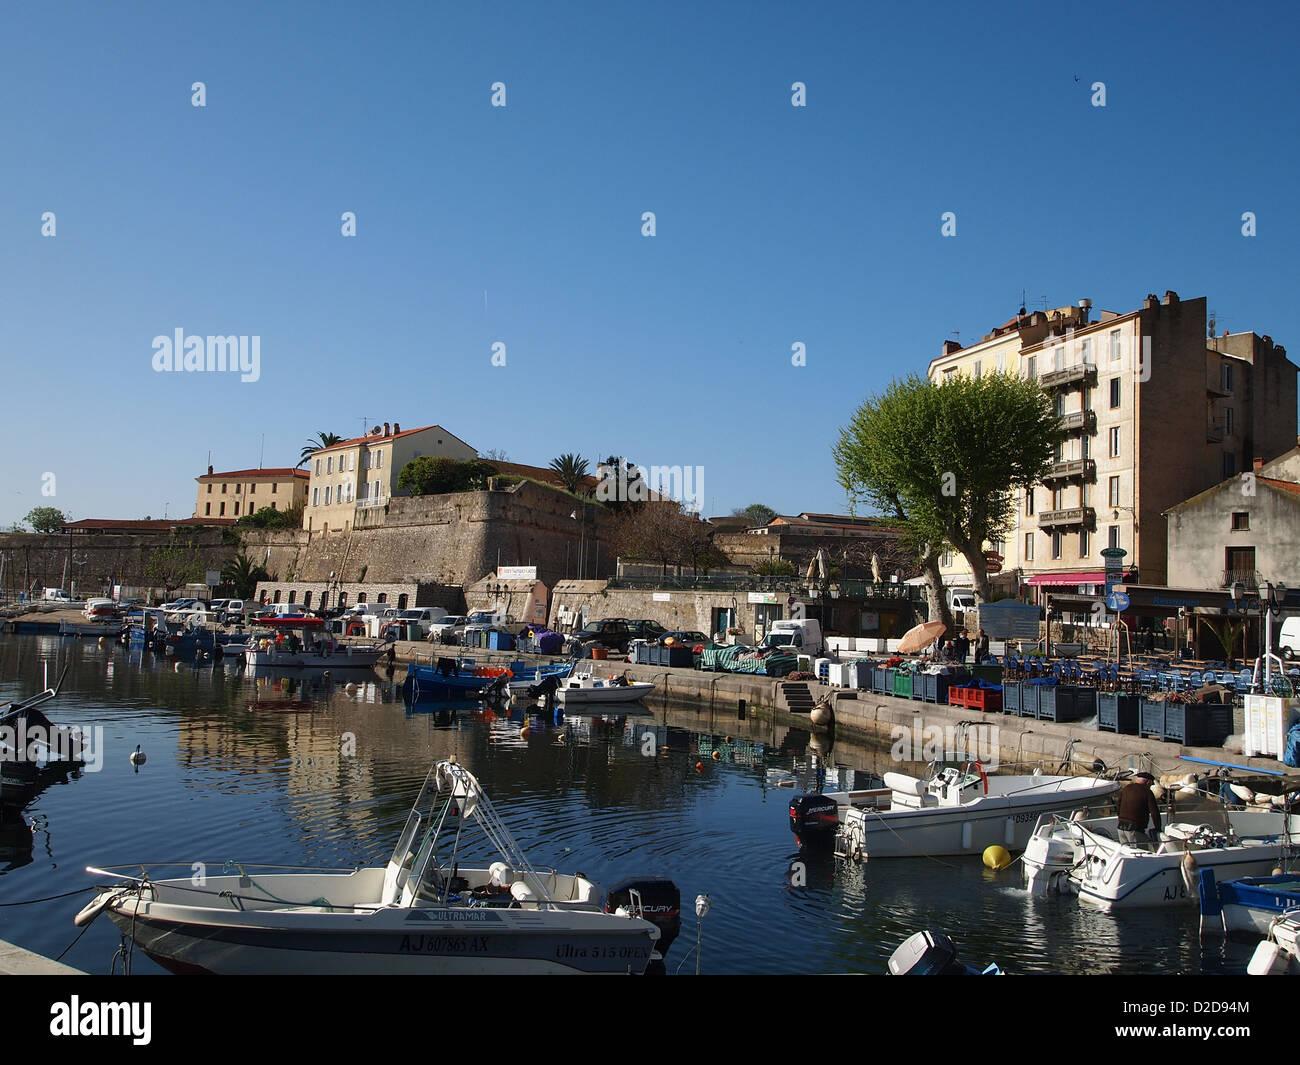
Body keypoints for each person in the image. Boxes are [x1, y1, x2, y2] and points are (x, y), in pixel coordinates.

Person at [1116, 772, 1162, 849]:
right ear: (1148, 782)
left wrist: (1120, 818)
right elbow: (1154, 812)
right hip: (1135, 829)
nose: (1150, 786)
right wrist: (1158, 828)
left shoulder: (1126, 788)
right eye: (1151, 784)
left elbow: (1118, 805)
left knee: (1126, 852)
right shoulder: (1147, 792)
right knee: (1140, 854)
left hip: (1120, 827)